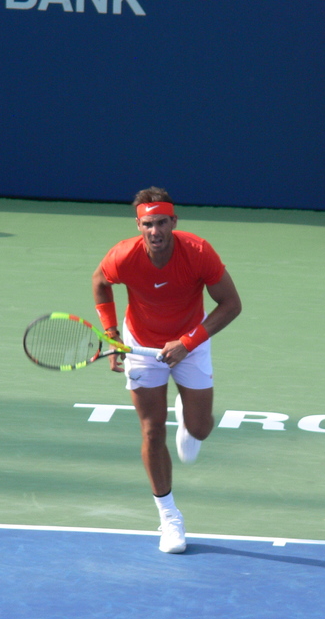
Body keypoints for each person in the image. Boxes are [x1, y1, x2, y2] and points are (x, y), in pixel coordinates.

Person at [91, 187, 242, 554]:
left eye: (161, 222)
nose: (155, 231)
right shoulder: (123, 256)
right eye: (147, 224)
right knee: (151, 430)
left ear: (174, 222)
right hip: (141, 345)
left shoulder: (198, 253)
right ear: (138, 225)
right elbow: (100, 282)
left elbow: (231, 304)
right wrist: (112, 334)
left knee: (200, 428)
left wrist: (187, 343)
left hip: (190, 342)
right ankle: (169, 516)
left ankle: (190, 422)